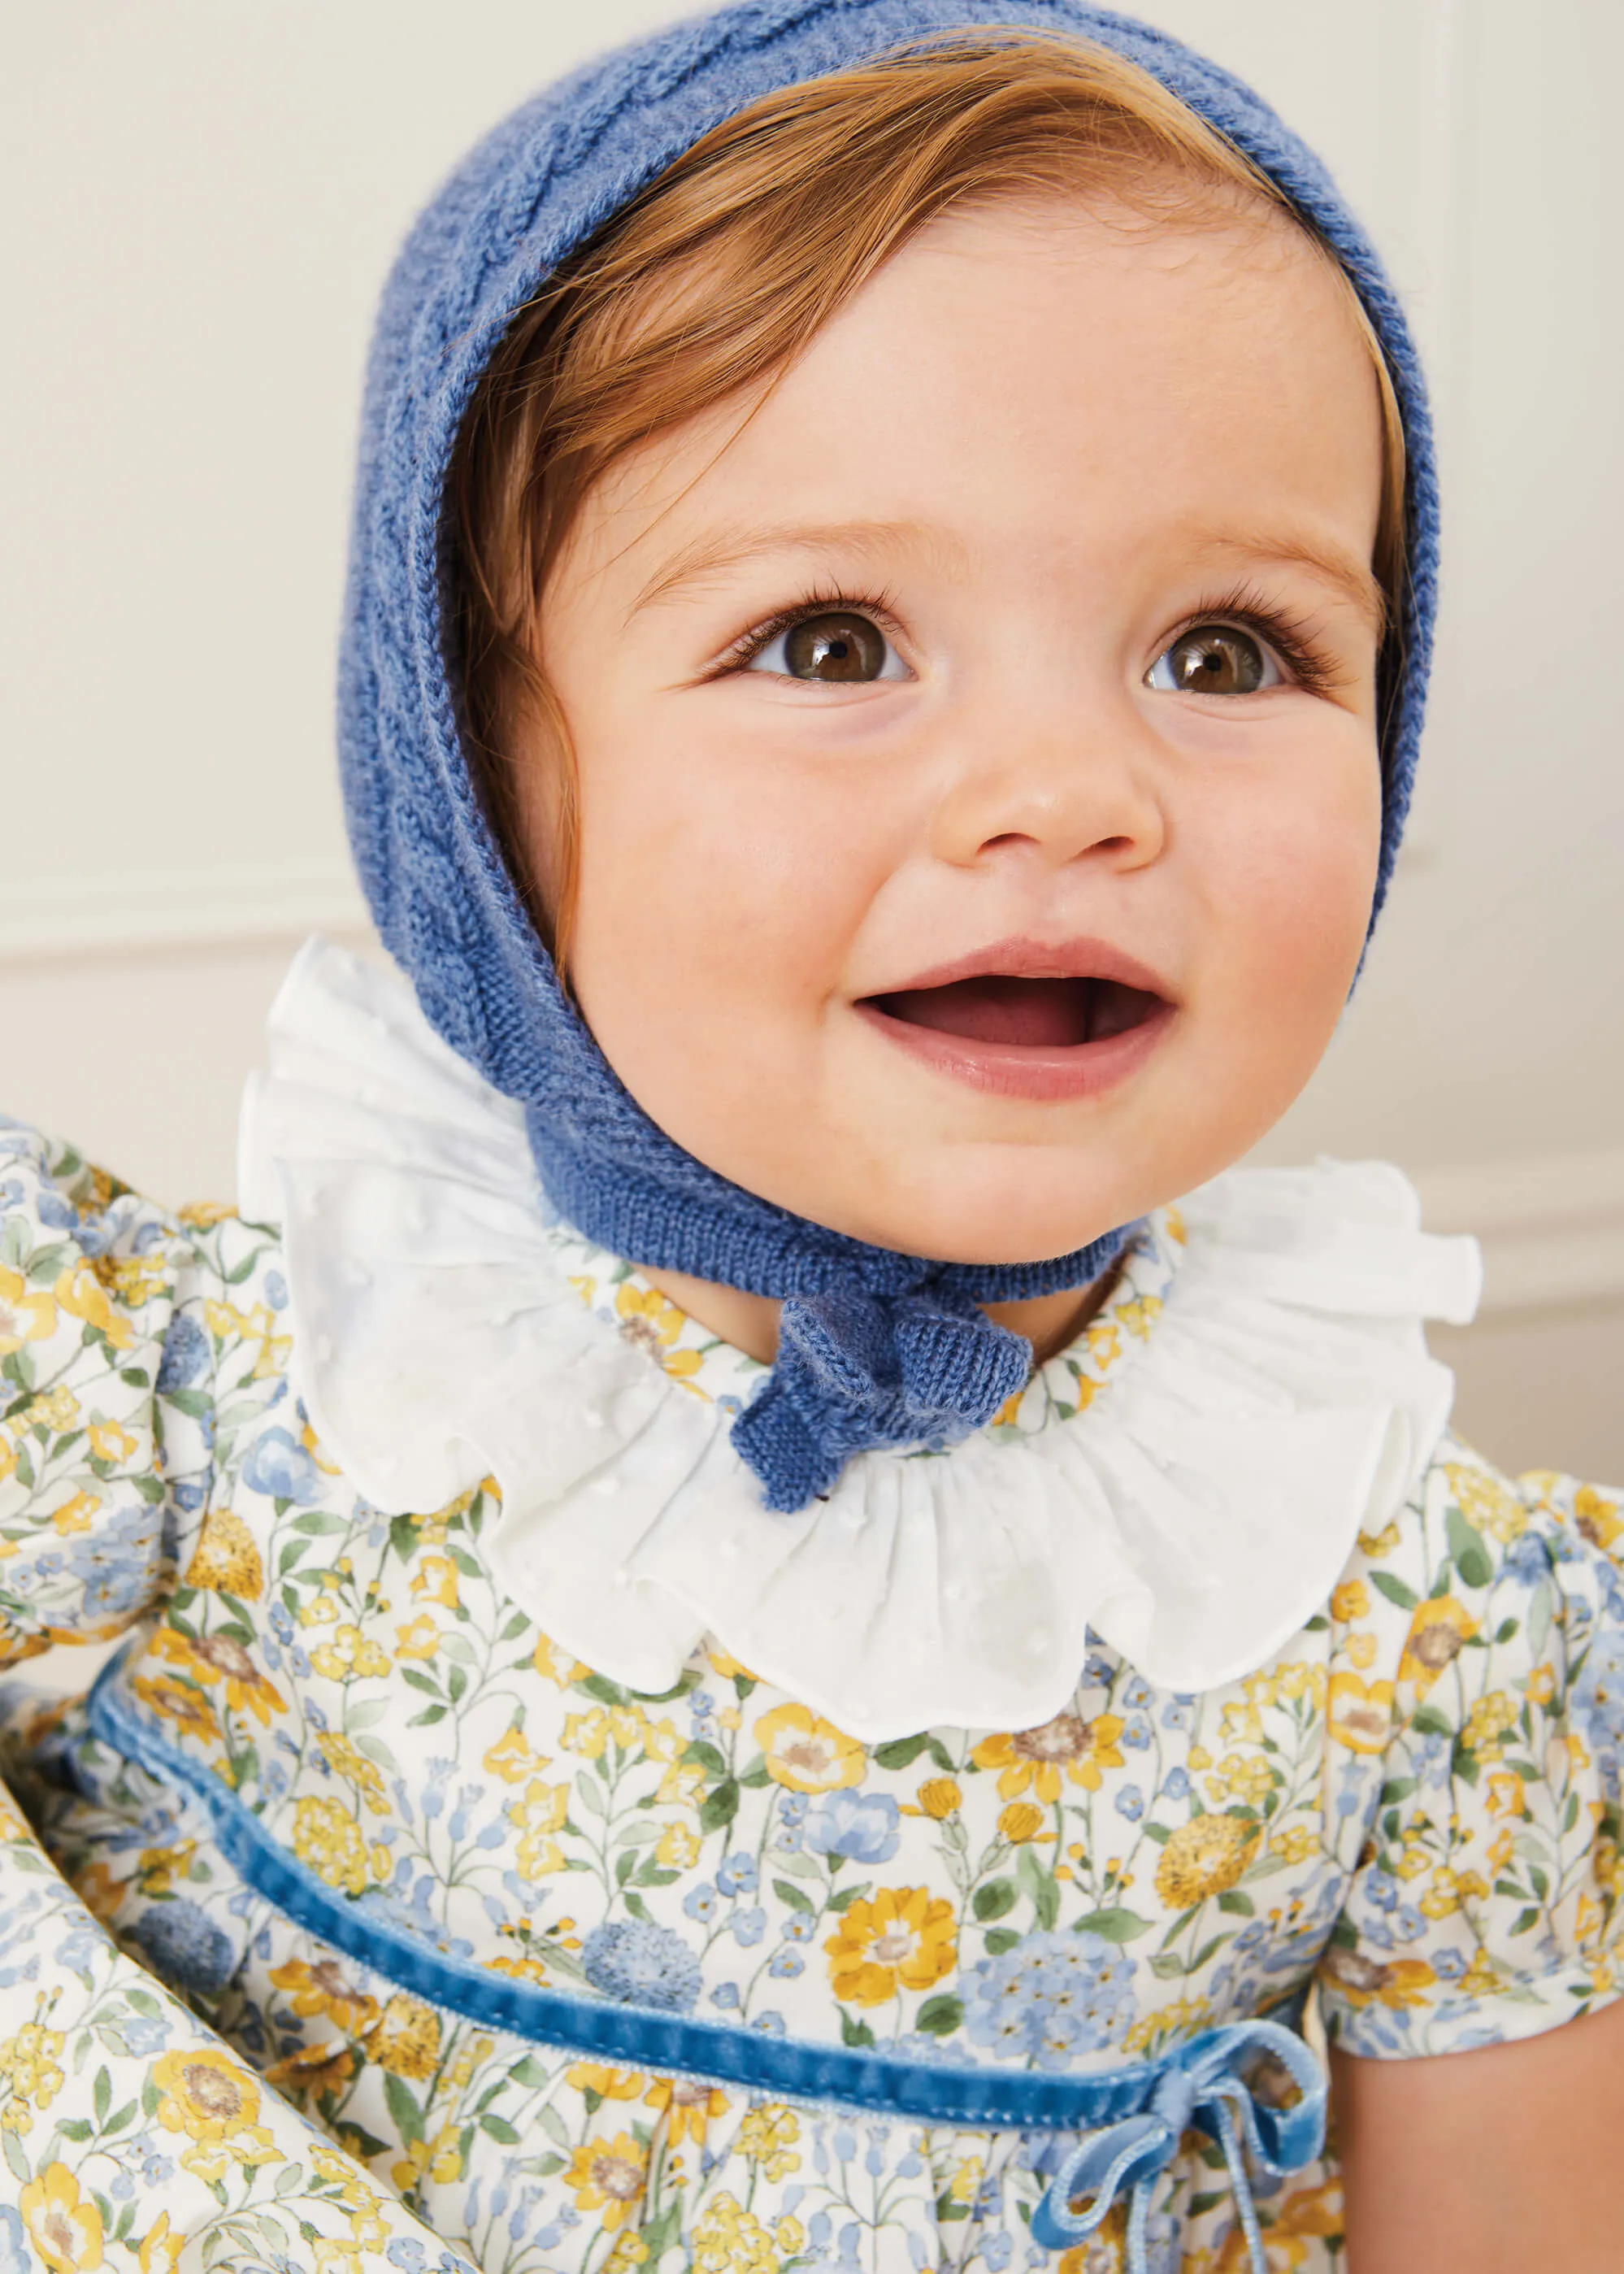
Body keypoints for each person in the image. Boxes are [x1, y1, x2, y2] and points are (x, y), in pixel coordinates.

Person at [1, 3, 1620, 2268]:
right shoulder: (206, 1392)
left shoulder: (1439, 1629)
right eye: (833, 637)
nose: (1069, 791)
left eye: (1232, 653)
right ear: (481, 773)